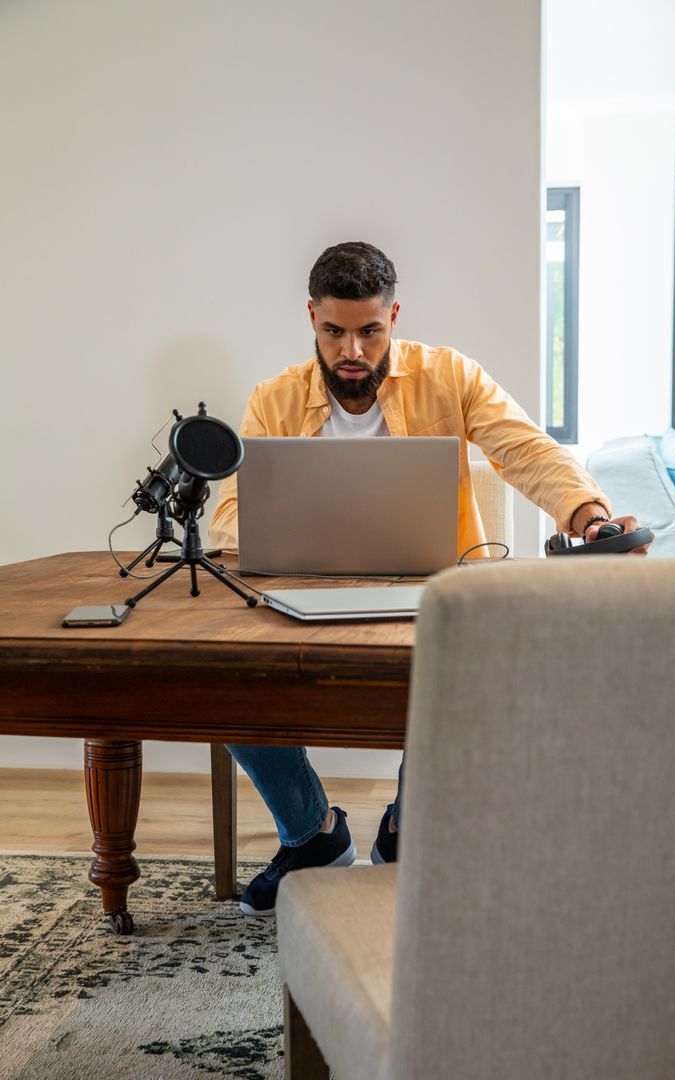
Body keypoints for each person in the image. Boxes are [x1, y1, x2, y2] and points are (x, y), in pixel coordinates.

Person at [208, 240, 651, 916]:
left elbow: (526, 450)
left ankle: (407, 828)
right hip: (304, 596)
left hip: (430, 596)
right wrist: (292, 536)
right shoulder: (272, 399)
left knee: (463, 669)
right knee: (222, 675)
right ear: (311, 318)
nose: (351, 350)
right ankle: (311, 835)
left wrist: (588, 514)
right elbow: (227, 517)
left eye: (369, 330)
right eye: (334, 332)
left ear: (393, 316)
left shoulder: (451, 376)